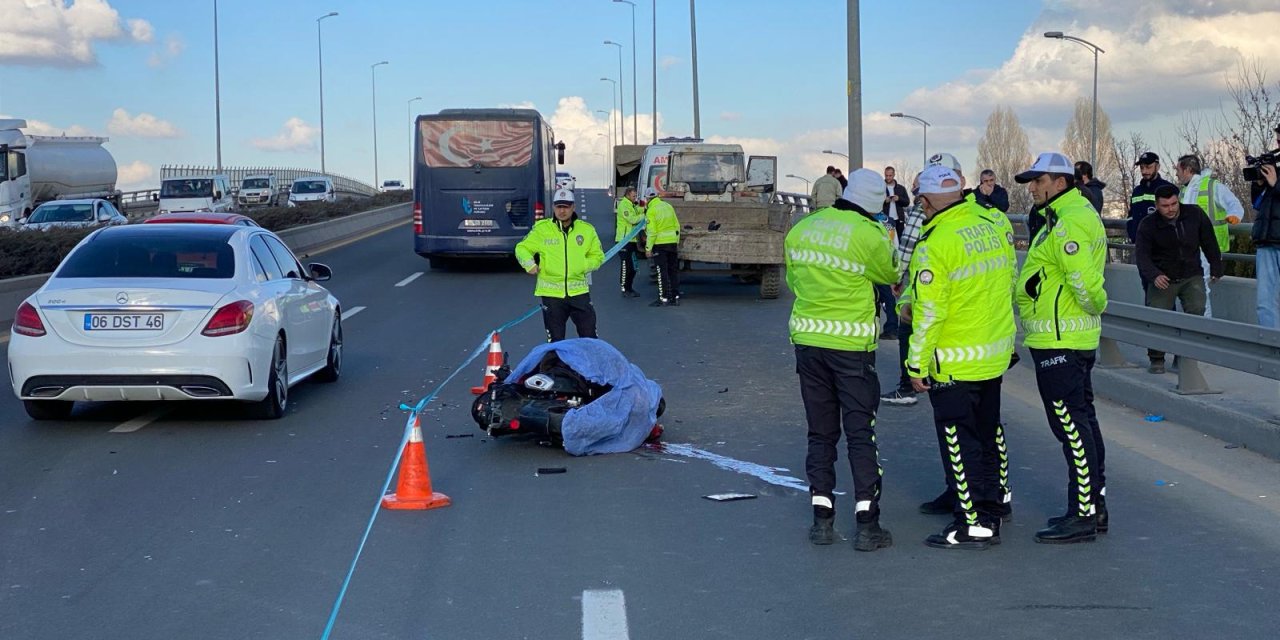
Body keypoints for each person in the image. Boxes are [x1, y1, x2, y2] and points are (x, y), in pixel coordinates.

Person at [904, 164, 1016, 550]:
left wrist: (915, 365)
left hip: (954, 358)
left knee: (959, 440)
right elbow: (1005, 282)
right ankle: (994, 503)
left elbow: (929, 311)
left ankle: (974, 523)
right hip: (993, 351)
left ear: (926, 200)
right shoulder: (991, 223)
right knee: (987, 433)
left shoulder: (936, 242)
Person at [785, 168, 898, 551]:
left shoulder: (803, 228)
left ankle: (822, 520)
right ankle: (868, 525)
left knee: (820, 433)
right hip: (851, 349)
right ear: (875, 204)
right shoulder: (869, 234)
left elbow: (795, 283)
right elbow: (890, 274)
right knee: (860, 433)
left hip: (808, 343)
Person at [1014, 152, 1109, 544]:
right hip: (1064, 338)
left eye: (1038, 181)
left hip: (1062, 340)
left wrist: (1093, 307)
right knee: (1082, 421)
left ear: (1059, 181)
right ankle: (1093, 507)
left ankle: (1083, 513)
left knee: (1071, 427)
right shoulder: (1063, 216)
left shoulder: (1068, 222)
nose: (1032, 188)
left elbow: (1086, 285)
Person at [1135, 184, 1223, 373]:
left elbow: (1209, 241)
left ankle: (1184, 357)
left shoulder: (1195, 215)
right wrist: (1154, 275)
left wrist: (1216, 265)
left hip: (1191, 274)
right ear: (1157, 205)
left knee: (1196, 311)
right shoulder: (1148, 225)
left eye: (1174, 204)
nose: (1171, 209)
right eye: (1165, 206)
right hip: (1163, 277)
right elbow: (1142, 256)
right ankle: (1157, 358)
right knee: (1157, 318)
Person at [515, 189, 605, 341]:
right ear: (553, 207)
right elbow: (521, 248)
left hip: (579, 293)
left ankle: (589, 365)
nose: (562, 211)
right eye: (558, 206)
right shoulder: (542, 229)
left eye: (566, 206)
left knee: (590, 338)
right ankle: (555, 365)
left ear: (573, 207)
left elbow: (598, 256)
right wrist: (529, 264)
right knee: (555, 342)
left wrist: (583, 265)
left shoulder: (587, 230)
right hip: (552, 295)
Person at [1176, 154, 1243, 317]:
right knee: (1193, 289)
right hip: (1189, 248)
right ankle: (1199, 326)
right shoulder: (1184, 191)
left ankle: (1204, 328)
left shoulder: (1213, 186)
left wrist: (1234, 215)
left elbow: (1233, 203)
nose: (1176, 174)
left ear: (1187, 170)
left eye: (1178, 170)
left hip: (1206, 248)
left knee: (1199, 289)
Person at [881, 172, 924, 407]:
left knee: (907, 327)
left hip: (923, 284)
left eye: (917, 188)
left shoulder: (919, 210)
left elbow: (906, 248)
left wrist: (895, 278)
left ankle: (907, 386)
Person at [1127, 152, 1175, 291]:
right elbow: (1131, 215)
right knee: (1147, 287)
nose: (1144, 171)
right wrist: (1133, 234)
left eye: (1148, 167)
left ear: (1157, 166)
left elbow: (1174, 216)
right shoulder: (1137, 191)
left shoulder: (1167, 188)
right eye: (1142, 168)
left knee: (1163, 293)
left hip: (1161, 250)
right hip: (1142, 249)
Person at [1251, 134, 1280, 328]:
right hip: (1267, 241)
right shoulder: (1274, 167)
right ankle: (1272, 350)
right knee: (1265, 302)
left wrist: (1276, 184)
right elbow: (1257, 204)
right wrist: (1259, 183)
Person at [643, 187, 682, 307]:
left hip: (660, 245)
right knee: (673, 271)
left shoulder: (651, 211)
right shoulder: (668, 206)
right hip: (672, 243)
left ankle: (663, 298)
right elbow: (677, 225)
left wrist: (648, 248)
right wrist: (676, 241)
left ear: (648, 198)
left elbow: (652, 232)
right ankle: (675, 297)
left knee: (661, 272)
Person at [614, 187, 645, 298]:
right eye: (633, 196)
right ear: (627, 195)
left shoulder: (631, 205)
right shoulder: (624, 206)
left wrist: (646, 208)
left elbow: (638, 210)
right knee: (626, 266)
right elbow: (632, 219)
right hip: (623, 241)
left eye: (635, 196)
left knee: (633, 268)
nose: (635, 198)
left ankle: (629, 288)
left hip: (631, 240)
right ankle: (624, 289)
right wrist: (645, 216)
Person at [883, 166, 910, 236]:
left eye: (890, 175)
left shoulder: (901, 188)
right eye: (886, 175)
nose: (888, 177)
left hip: (899, 220)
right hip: (885, 220)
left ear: (894, 175)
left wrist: (899, 199)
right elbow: (875, 202)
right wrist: (884, 201)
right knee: (887, 240)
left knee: (899, 240)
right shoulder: (880, 187)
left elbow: (907, 202)